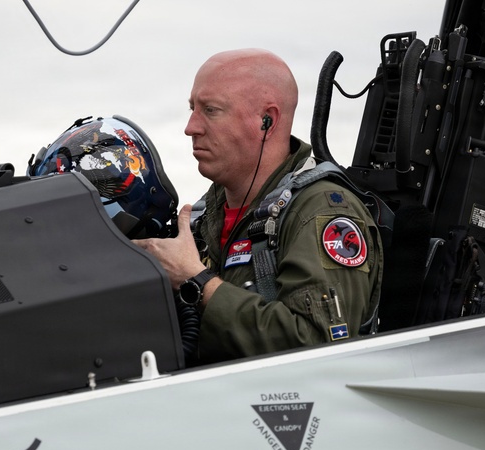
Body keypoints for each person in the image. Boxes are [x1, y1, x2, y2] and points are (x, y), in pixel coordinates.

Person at [133, 48, 383, 364]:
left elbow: (319, 346)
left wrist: (196, 281)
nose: (191, 127)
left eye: (210, 110)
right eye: (192, 109)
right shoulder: (202, 218)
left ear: (267, 120)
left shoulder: (320, 212)